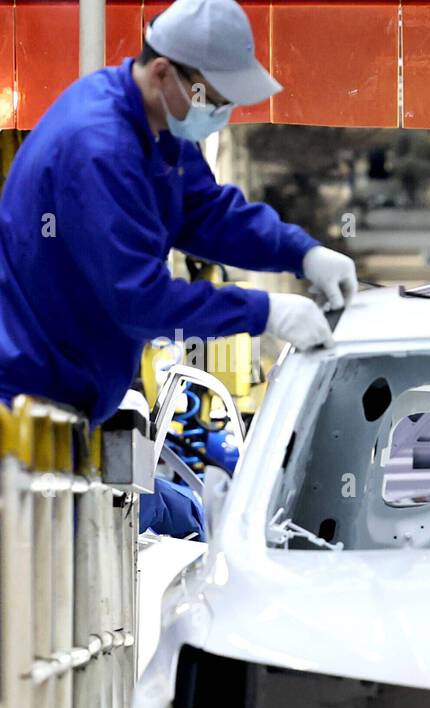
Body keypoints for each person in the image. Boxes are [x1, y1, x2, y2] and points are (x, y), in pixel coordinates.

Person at [0, 0, 356, 429]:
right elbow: (139, 299)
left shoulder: (155, 127)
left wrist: (302, 253)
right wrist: (263, 311)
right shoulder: (100, 148)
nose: (221, 115)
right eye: (215, 99)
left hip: (59, 398)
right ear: (164, 71)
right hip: (22, 400)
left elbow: (206, 213)